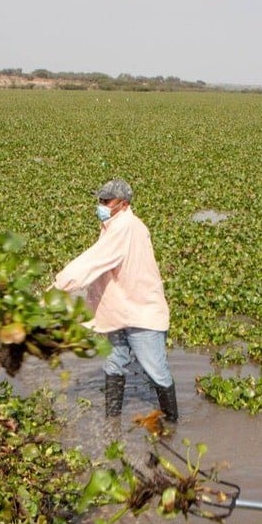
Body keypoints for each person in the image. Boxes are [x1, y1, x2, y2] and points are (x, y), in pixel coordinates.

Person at [52, 179, 177, 421]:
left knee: (156, 372)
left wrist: (60, 286)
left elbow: (94, 261)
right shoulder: (113, 225)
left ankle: (172, 425)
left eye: (106, 201)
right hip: (121, 310)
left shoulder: (126, 228)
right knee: (114, 362)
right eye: (100, 200)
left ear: (124, 204)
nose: (101, 205)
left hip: (141, 313)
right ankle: (112, 422)